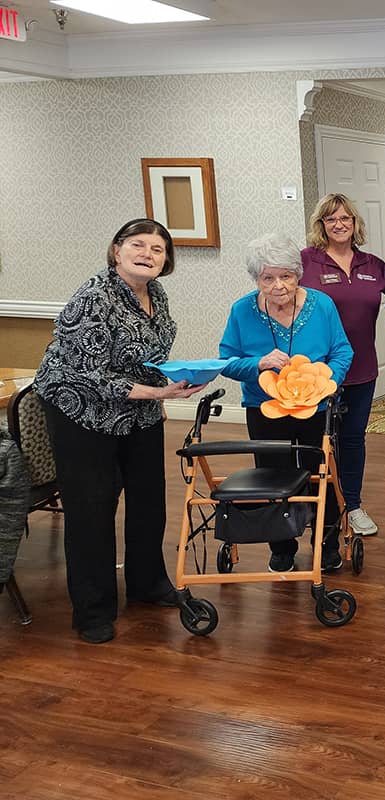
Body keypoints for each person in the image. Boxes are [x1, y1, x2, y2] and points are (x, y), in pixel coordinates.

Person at [35, 218, 206, 644]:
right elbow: (88, 373)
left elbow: (147, 355)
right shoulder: (94, 297)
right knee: (91, 510)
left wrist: (171, 384)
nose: (148, 253)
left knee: (148, 499)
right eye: (138, 244)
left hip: (139, 408)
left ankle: (148, 584)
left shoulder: (155, 294)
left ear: (165, 262)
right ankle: (92, 610)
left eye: (158, 249)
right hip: (82, 412)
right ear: (116, 250)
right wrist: (158, 393)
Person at [219, 233, 353, 573]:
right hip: (264, 408)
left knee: (319, 473)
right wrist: (258, 364)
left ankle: (326, 542)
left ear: (297, 274)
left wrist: (326, 384)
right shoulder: (241, 311)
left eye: (286, 276)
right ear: (256, 279)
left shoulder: (321, 305)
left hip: (315, 409)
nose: (278, 285)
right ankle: (281, 547)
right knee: (272, 477)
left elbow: (342, 351)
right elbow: (227, 361)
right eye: (268, 278)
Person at [301, 193, 385, 538]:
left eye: (345, 219)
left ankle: (352, 506)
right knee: (316, 441)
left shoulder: (372, 265)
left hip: (361, 368)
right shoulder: (305, 263)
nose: (338, 225)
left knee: (352, 439)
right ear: (321, 225)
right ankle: (319, 508)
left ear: (355, 223)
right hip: (315, 372)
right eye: (330, 219)